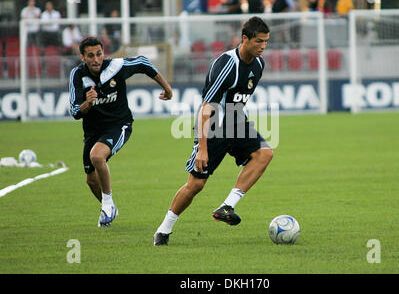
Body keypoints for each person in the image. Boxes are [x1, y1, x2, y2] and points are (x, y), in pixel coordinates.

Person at [153, 16, 273, 246]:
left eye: (266, 42)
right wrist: (202, 149)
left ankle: (227, 206)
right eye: (259, 41)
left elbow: (237, 101)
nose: (263, 47)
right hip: (214, 129)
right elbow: (206, 109)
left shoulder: (259, 64)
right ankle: (163, 230)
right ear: (244, 39)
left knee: (265, 154)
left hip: (237, 124)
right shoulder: (226, 65)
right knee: (195, 185)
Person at [69, 37, 173, 227]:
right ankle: (109, 207)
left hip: (119, 124)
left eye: (99, 54)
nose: (96, 59)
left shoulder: (115, 67)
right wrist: (87, 103)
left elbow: (142, 62)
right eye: (90, 55)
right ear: (83, 57)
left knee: (97, 156)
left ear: (104, 53)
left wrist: (167, 88)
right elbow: (75, 111)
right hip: (92, 131)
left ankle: (107, 204)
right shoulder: (77, 76)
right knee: (91, 181)